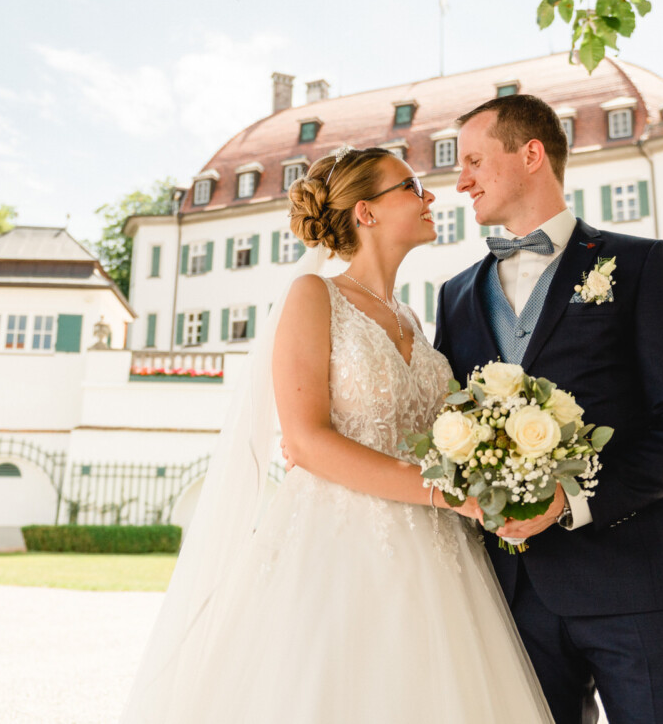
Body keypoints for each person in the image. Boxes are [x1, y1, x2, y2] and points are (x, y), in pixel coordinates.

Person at [119, 147, 555, 723]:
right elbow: (304, 441)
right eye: (410, 187)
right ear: (365, 213)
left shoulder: (414, 321)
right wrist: (447, 493)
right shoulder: (312, 296)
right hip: (338, 544)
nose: (430, 198)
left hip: (440, 553)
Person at [434, 94, 663, 724]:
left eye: (476, 161)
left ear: (531, 154)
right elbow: (443, 430)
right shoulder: (455, 297)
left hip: (639, 586)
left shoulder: (642, 264)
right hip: (511, 604)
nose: (461, 181)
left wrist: (572, 501)